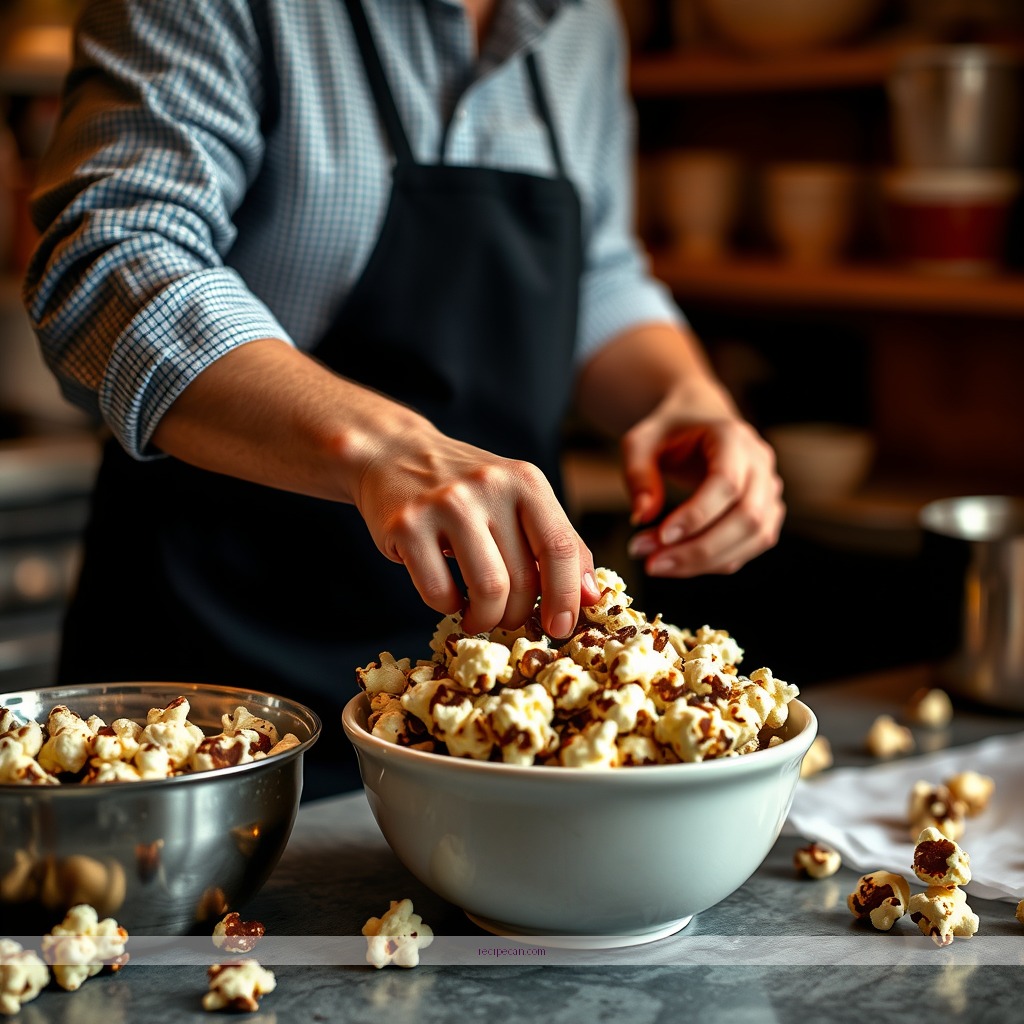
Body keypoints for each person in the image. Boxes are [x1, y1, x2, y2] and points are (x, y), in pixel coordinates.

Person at [22, 0, 784, 798]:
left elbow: (601, 269)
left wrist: (687, 394)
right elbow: (107, 256)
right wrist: (383, 450)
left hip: (488, 702)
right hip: (212, 683)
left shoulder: (581, 23)